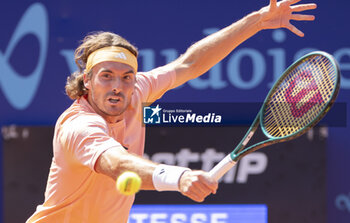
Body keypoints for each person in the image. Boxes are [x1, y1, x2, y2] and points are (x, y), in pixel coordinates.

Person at [27, 0, 316, 222]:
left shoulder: (136, 90)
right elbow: (116, 164)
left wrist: (256, 21)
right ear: (87, 80)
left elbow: (188, 65)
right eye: (106, 76)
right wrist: (179, 177)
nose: (117, 85)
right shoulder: (79, 126)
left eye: (126, 76)